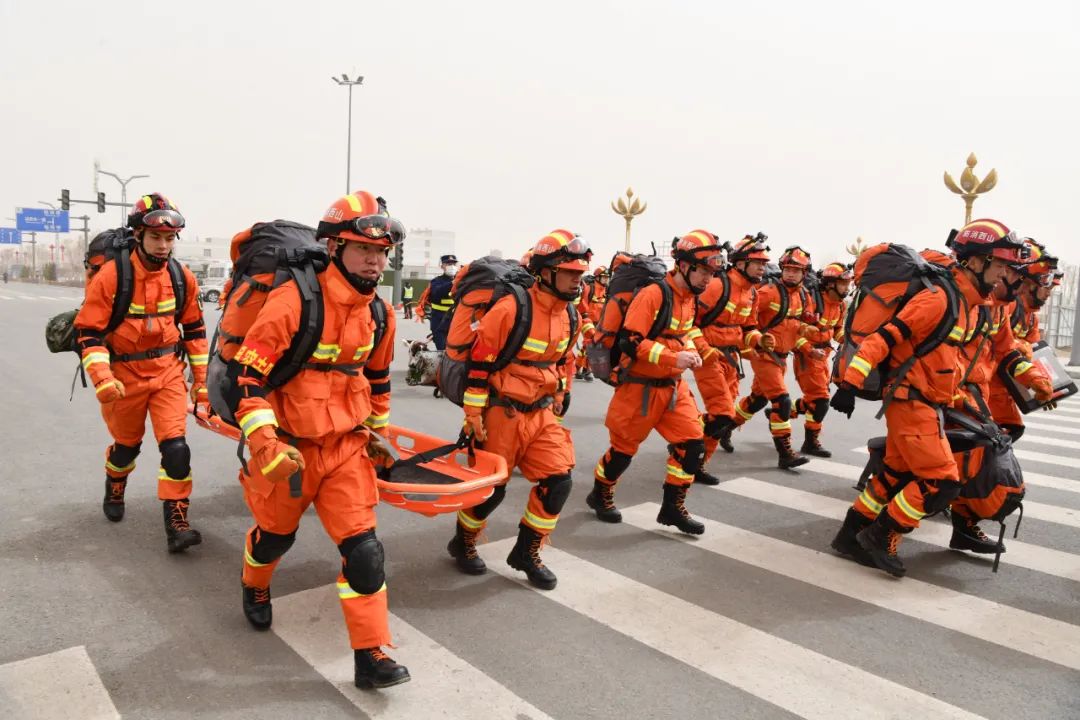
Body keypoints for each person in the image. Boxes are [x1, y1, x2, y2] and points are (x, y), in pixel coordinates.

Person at [227, 190, 409, 689]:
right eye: (363, 250)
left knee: (366, 552)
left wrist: (377, 434)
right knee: (274, 539)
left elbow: (377, 381)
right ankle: (255, 586)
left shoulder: (380, 314)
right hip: (288, 448)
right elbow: (248, 377)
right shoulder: (294, 299)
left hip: (346, 448)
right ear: (334, 249)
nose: (374, 262)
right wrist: (264, 441)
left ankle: (371, 657)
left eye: (381, 253)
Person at [828, 219, 1028, 577]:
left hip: (931, 401)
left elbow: (951, 359)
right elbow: (882, 340)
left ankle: (848, 535)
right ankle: (882, 535)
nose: (1002, 275)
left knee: (892, 475)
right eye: (998, 266)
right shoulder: (938, 299)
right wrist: (848, 385)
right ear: (976, 261)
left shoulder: (971, 305)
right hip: (911, 402)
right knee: (942, 481)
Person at [449, 230, 587, 589]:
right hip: (500, 413)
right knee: (490, 491)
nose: (577, 279)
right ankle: (464, 542)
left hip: (541, 415)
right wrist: (473, 414)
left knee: (558, 482)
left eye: (580, 273)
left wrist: (560, 393)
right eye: (570, 272)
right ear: (546, 272)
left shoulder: (570, 315)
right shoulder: (512, 307)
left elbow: (563, 360)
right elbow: (480, 361)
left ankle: (527, 550)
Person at [73, 193, 207, 552]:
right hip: (123, 378)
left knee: (177, 450)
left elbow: (194, 331)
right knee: (126, 449)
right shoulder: (112, 277)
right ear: (138, 236)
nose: (163, 246)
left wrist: (202, 383)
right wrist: (103, 378)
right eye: (155, 238)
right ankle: (115, 485)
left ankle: (177, 523)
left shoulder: (182, 278)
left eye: (169, 239)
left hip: (167, 374)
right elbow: (88, 332)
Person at [587, 231, 723, 534]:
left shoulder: (690, 300)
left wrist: (691, 353)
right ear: (685, 266)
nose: (708, 280)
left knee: (692, 447)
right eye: (704, 271)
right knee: (621, 453)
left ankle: (672, 508)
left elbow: (683, 335)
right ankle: (601, 492)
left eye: (713, 274)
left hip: (674, 389)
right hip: (639, 388)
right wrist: (673, 358)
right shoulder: (653, 294)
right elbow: (630, 342)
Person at [692, 234, 771, 480]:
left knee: (722, 418)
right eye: (757, 262)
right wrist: (704, 350)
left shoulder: (752, 294)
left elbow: (747, 328)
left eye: (764, 263)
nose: (762, 267)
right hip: (709, 357)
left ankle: (696, 456)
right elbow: (689, 322)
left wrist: (758, 339)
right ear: (740, 264)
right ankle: (689, 447)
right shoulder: (716, 286)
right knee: (723, 413)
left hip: (731, 360)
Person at [731, 246, 816, 469]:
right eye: (787, 269)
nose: (790, 273)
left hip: (782, 358)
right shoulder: (769, 292)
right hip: (765, 356)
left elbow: (793, 326)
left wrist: (805, 334)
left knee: (758, 400)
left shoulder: (804, 297)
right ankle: (785, 453)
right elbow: (747, 321)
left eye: (795, 270)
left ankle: (723, 428)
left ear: (804, 274)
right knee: (782, 401)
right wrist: (752, 344)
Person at [986, 239, 1059, 439]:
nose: (1047, 293)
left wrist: (1045, 385)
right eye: (1045, 286)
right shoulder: (1002, 305)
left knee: (1008, 435)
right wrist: (1023, 348)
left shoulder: (1028, 317)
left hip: (999, 390)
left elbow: (1031, 355)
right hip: (985, 389)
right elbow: (1006, 349)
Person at [791, 262, 853, 458]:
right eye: (843, 283)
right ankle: (810, 442)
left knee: (815, 398)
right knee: (821, 400)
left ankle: (784, 411)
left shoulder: (841, 306)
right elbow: (793, 330)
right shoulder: (812, 301)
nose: (847, 287)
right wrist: (809, 350)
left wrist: (847, 341)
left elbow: (836, 330)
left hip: (823, 357)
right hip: (807, 357)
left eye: (848, 283)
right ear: (830, 284)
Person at [427, 254, 458, 351]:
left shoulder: (460, 281)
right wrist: (453, 283)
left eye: (453, 263)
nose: (451, 266)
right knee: (443, 350)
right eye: (448, 263)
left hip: (455, 321)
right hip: (439, 322)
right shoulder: (436, 281)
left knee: (454, 352)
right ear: (442, 266)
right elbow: (437, 293)